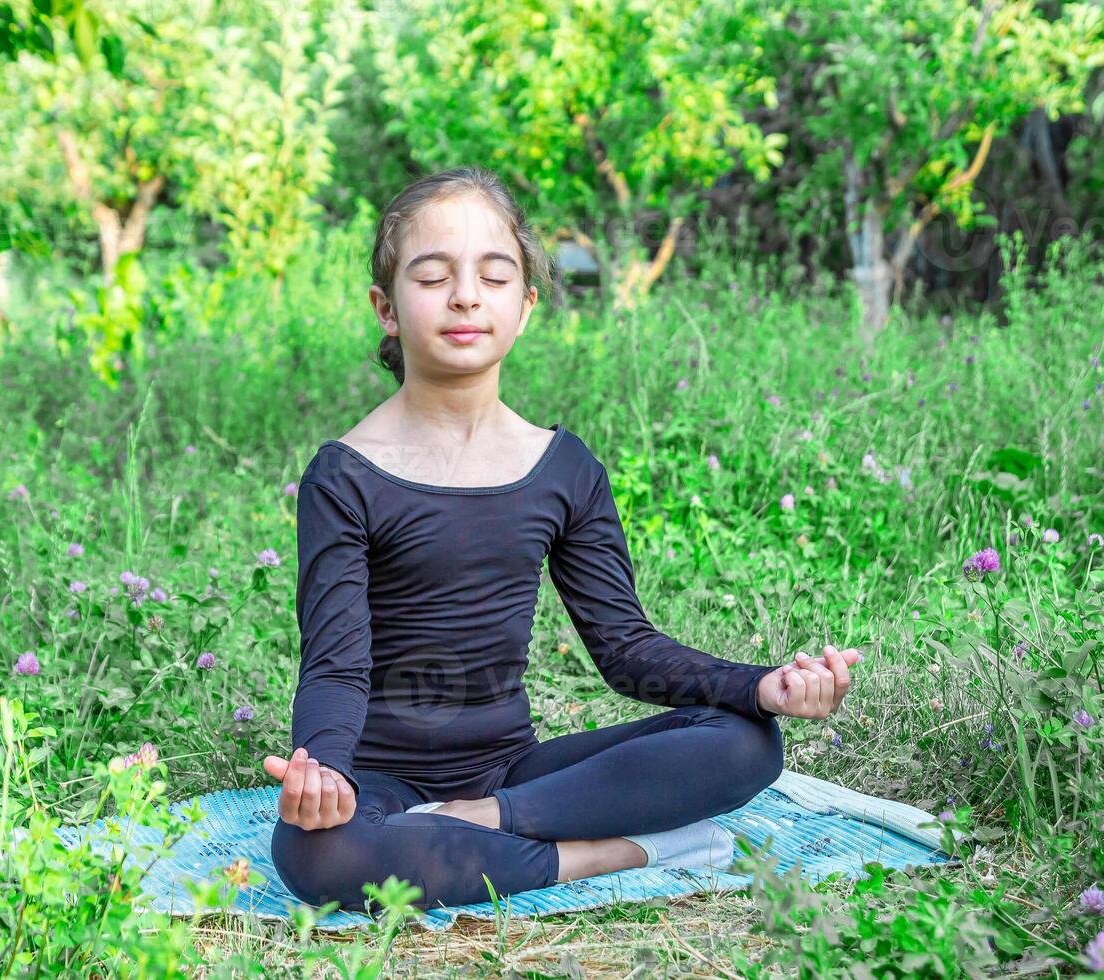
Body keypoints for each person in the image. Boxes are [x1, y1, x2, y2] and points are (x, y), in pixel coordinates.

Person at [262, 166, 860, 913]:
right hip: (382, 776)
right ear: (386, 307)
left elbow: (625, 648)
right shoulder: (344, 475)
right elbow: (336, 666)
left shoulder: (563, 468)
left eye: (493, 275)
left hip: (513, 777)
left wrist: (758, 684)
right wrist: (326, 773)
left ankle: (489, 826)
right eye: (433, 276)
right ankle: (605, 852)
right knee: (315, 853)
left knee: (747, 741)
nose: (465, 296)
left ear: (526, 306)